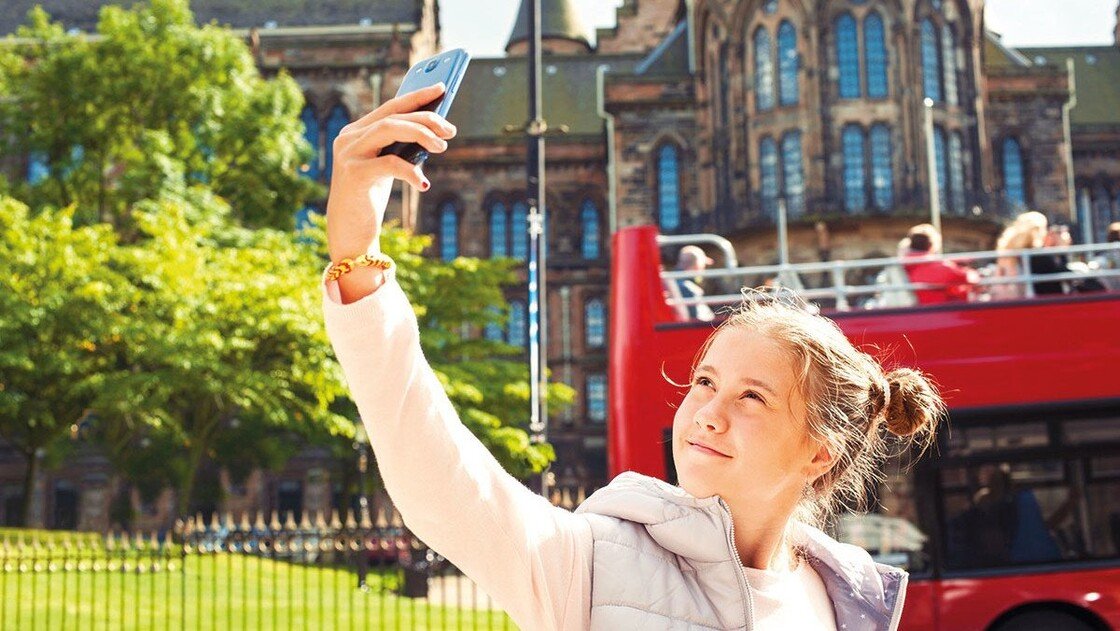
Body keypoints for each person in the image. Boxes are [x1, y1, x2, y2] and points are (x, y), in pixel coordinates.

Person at [321, 84, 945, 630]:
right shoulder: (589, 563)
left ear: (818, 452)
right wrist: (358, 253)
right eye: (704, 382)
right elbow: (438, 473)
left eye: (752, 395)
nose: (707, 413)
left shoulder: (850, 601)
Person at [900, 224, 978, 305]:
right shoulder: (940, 267)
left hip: (915, 310)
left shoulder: (904, 264)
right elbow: (969, 278)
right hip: (941, 311)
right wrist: (970, 271)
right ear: (932, 246)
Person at [673, 245, 716, 321]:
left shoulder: (673, 281)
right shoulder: (688, 288)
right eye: (704, 265)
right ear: (698, 265)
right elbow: (700, 320)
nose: (704, 269)